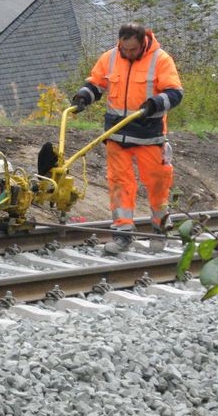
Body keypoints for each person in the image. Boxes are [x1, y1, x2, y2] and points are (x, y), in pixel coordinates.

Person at [72, 23, 183, 255]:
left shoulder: (160, 59)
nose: (128, 54)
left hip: (148, 135)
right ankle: (122, 234)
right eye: (125, 49)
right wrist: (83, 96)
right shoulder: (111, 57)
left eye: (133, 50)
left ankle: (159, 229)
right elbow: (96, 83)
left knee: (157, 183)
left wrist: (154, 103)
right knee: (119, 184)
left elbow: (174, 93)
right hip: (116, 136)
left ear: (143, 43)